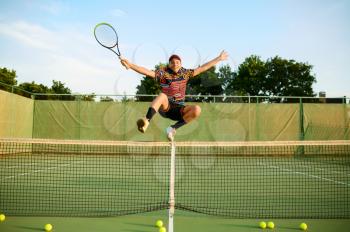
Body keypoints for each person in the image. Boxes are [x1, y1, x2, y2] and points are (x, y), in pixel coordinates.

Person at [120, 51, 228, 141]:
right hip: (166, 107)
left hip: (179, 109)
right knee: (162, 95)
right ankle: (146, 121)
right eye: (172, 62)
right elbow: (147, 72)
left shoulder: (185, 73)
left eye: (177, 62)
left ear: (180, 64)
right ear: (169, 64)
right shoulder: (163, 73)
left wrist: (219, 58)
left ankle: (172, 129)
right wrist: (130, 65)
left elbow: (202, 68)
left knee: (197, 109)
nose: (175, 64)